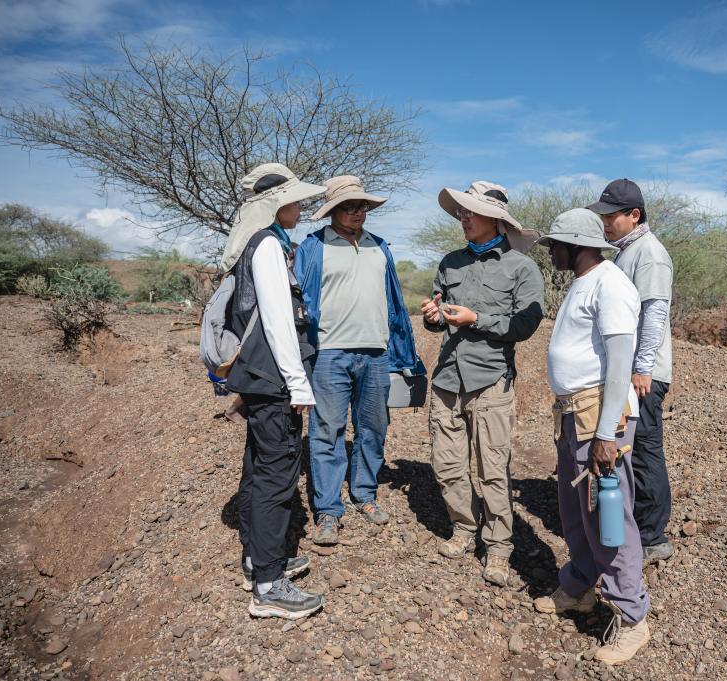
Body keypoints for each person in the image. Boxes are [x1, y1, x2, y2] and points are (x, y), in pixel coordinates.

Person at [532, 208, 650, 665]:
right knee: (574, 509)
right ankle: (580, 586)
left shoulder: (610, 284)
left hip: (599, 418)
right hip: (572, 414)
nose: (551, 253)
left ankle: (632, 617)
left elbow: (620, 363)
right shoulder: (583, 282)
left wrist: (605, 435)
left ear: (577, 246)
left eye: (556, 246)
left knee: (608, 519)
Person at [419, 181, 544, 587]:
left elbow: (526, 325)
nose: (464, 218)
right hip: (446, 380)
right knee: (447, 464)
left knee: (493, 469)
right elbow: (437, 315)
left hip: (491, 381)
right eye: (462, 211)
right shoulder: (450, 262)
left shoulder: (521, 268)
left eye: (471, 212)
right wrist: (433, 316)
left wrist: (478, 320)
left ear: (496, 220)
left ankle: (498, 547)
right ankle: (463, 528)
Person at [219, 163, 325, 619]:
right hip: (275, 380)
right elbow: (280, 322)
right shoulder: (266, 246)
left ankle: (258, 560)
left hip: (259, 377)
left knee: (258, 468)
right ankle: (268, 585)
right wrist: (298, 384)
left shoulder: (258, 243)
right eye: (294, 200)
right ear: (276, 205)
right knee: (276, 478)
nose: (300, 207)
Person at [294, 176, 425, 546]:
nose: (357, 213)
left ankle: (364, 494)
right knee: (327, 431)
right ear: (333, 211)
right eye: (349, 207)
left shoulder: (379, 247)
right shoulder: (313, 247)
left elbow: (394, 302)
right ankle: (328, 510)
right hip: (329, 353)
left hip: (377, 354)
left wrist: (402, 351)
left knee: (373, 428)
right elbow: (299, 301)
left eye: (362, 206)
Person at [587, 179, 675, 566]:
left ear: (634, 215)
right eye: (603, 216)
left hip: (645, 374)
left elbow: (655, 313)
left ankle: (653, 537)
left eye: (611, 216)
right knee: (632, 448)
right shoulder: (627, 252)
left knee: (644, 451)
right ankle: (636, 528)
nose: (605, 222)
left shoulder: (649, 254)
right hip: (633, 371)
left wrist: (642, 368)